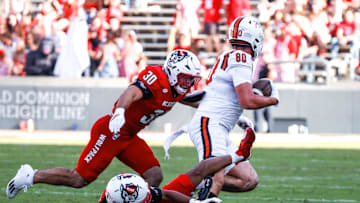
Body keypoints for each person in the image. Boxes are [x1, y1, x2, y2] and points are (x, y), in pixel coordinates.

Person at [6, 50, 202, 199]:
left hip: (129, 136)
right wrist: (120, 112)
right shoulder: (157, 77)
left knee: (154, 175)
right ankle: (31, 176)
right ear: (174, 72)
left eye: (191, 80)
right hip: (112, 131)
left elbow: (195, 99)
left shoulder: (178, 88)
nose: (188, 84)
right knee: (79, 179)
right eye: (186, 79)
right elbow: (132, 92)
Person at [186, 16, 279, 198]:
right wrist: (273, 99)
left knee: (248, 180)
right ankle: (187, 187)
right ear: (255, 39)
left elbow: (225, 97)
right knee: (217, 177)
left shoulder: (232, 56)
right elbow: (247, 100)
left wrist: (237, 116)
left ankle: (194, 181)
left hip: (217, 126)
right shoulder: (241, 57)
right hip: (211, 124)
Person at [98, 126, 256, 203]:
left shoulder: (136, 193)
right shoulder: (118, 197)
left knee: (198, 172)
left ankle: (238, 155)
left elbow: (166, 194)